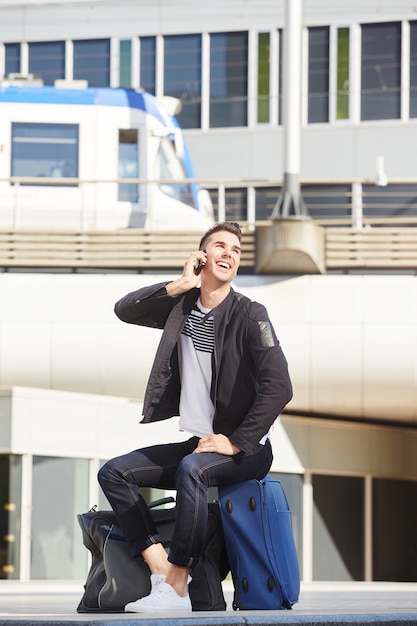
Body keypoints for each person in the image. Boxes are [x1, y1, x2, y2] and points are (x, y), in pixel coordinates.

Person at [98, 221, 293, 613]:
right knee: (114, 473)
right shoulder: (181, 308)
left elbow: (280, 387)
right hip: (203, 443)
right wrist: (180, 284)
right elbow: (124, 309)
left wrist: (236, 441)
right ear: (201, 257)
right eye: (220, 246)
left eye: (236, 251)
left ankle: (178, 586)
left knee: (192, 468)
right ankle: (162, 573)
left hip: (249, 448)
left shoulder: (250, 314)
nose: (229, 254)